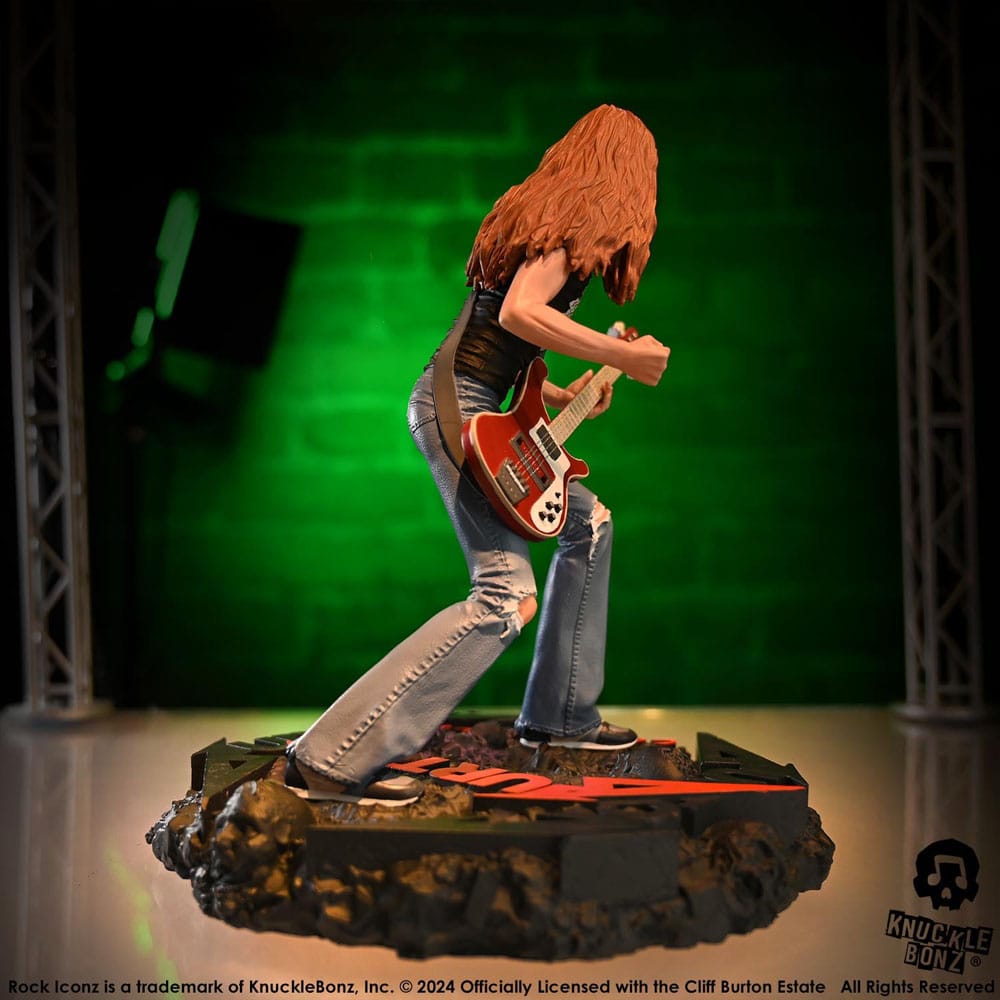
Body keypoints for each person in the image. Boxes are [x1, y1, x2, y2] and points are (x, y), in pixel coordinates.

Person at [285, 104, 670, 804]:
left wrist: (561, 393)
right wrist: (622, 355)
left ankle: (561, 718)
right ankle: (331, 757)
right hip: (460, 409)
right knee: (503, 596)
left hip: (482, 402)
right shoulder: (570, 221)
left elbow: (503, 334)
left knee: (589, 523)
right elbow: (521, 311)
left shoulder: (549, 219)